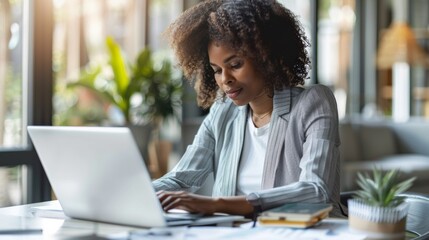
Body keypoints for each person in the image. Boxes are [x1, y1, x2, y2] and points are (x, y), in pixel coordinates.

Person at [153, 0, 344, 218]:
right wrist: (138, 192)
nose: (225, 80)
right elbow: (181, 178)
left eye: (235, 65)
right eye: (216, 70)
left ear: (266, 57)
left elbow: (315, 190)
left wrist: (216, 204)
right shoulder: (222, 112)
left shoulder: (313, 103)